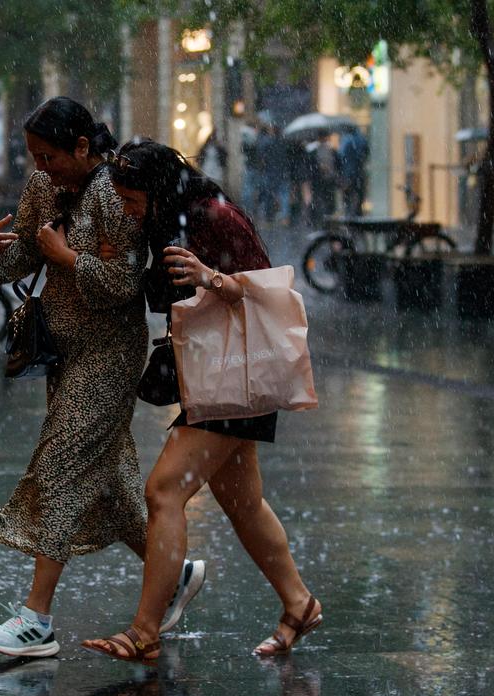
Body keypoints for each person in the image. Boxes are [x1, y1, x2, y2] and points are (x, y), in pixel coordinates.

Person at [0, 98, 205, 659]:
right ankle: (172, 571)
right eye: (33, 157)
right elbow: (21, 258)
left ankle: (36, 621)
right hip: (63, 352)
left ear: (82, 148)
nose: (41, 167)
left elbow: (126, 286)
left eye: (49, 156)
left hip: (110, 354)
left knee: (62, 463)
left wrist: (69, 258)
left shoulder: (113, 193)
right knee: (113, 488)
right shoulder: (44, 189)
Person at [81, 140, 321, 662]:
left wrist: (210, 278)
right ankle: (298, 603)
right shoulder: (170, 219)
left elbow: (269, 292)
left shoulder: (214, 216)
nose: (127, 208)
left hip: (235, 379)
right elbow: (161, 291)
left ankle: (144, 632)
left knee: (164, 491)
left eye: (131, 198)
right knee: (243, 504)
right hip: (215, 379)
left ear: (158, 188)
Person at [338, 128, 369, 216]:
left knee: (348, 200)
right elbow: (365, 154)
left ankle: (350, 217)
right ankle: (357, 216)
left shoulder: (345, 141)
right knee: (358, 198)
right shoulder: (361, 140)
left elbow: (341, 158)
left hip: (348, 175)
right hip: (359, 174)